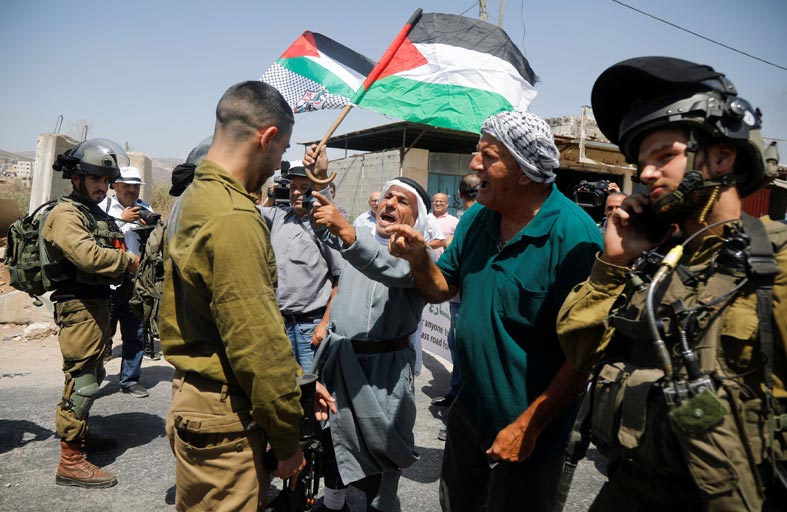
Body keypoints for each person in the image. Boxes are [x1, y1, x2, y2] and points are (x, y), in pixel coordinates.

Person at [557, 57, 786, 511]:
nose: (645, 175)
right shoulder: (654, 263)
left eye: (664, 156)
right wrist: (615, 263)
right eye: (643, 162)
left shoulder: (775, 266)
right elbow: (580, 350)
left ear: (721, 156)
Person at [387, 111, 603, 511]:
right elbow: (442, 289)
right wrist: (418, 258)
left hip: (530, 432)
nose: (474, 164)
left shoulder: (576, 237)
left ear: (523, 171)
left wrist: (528, 427)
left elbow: (582, 358)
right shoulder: (477, 218)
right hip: (469, 414)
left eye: (488, 155)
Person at [159, 81, 334, 511]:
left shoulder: (196, 197)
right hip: (226, 413)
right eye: (282, 150)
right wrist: (287, 441)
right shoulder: (234, 217)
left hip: (198, 396)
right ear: (267, 138)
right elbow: (256, 345)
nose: (276, 167)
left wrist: (300, 381)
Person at [308, 164, 436, 512]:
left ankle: (382, 505)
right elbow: (325, 225)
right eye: (388, 196)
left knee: (384, 445)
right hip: (341, 359)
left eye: (402, 201)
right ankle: (333, 503)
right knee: (333, 435)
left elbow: (387, 267)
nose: (390, 203)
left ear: (417, 218)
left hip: (385, 372)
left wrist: (347, 232)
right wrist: (319, 180)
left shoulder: (420, 257)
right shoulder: (360, 238)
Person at [42, 138, 140, 488]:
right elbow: (87, 256)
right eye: (96, 179)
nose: (102, 186)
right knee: (81, 380)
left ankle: (79, 435)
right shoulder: (67, 214)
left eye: (106, 180)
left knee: (93, 373)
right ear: (77, 179)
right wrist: (127, 261)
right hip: (79, 305)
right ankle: (70, 460)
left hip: (95, 303)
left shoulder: (89, 211)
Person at [260, 158, 344, 370]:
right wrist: (270, 194)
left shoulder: (323, 227)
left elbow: (341, 280)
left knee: (311, 385)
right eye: (292, 187)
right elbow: (251, 212)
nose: (296, 193)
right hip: (279, 325)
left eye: (304, 188)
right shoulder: (279, 216)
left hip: (310, 329)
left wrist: (324, 324)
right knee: (282, 383)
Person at [99, 166, 154, 398]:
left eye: (135, 186)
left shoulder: (145, 208)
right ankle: (92, 379)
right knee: (101, 335)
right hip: (108, 284)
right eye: (127, 185)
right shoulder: (102, 207)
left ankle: (130, 380)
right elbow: (96, 239)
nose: (131, 190)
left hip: (136, 283)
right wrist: (121, 220)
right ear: (115, 186)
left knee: (135, 334)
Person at [427, 193, 458, 259]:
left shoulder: (454, 221)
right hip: (425, 259)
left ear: (447, 204)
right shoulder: (426, 218)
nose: (438, 204)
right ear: (432, 203)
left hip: (444, 260)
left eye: (441, 201)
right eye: (436, 201)